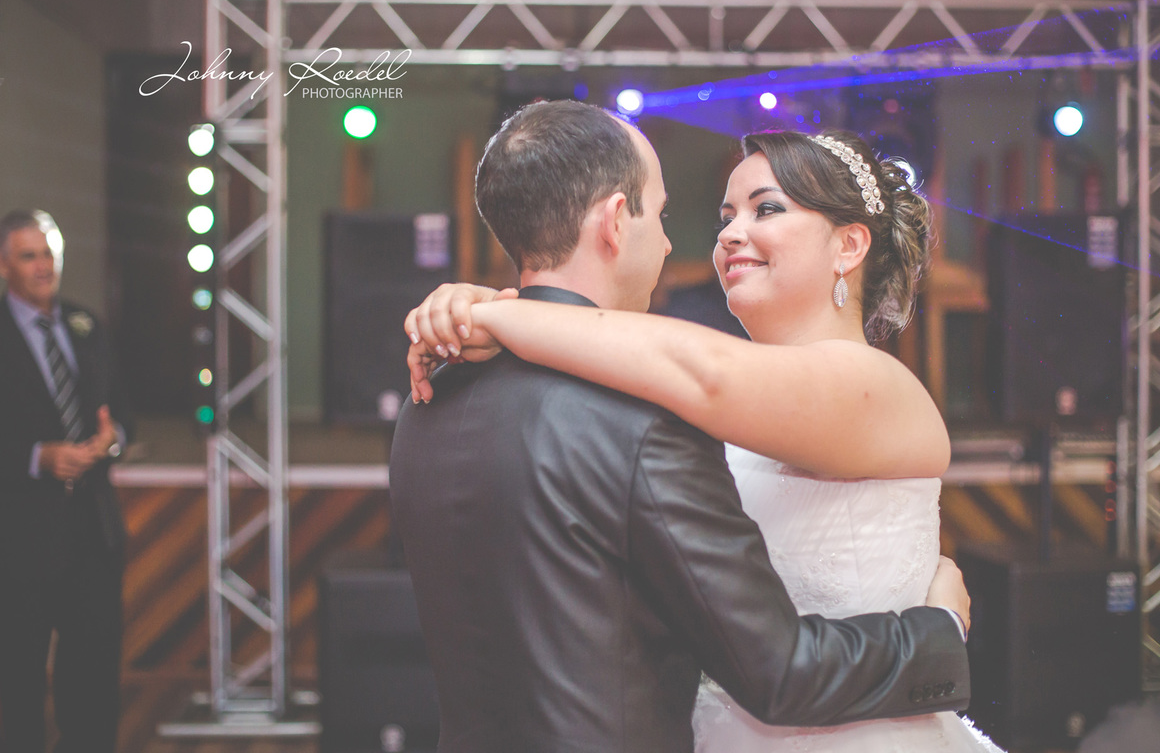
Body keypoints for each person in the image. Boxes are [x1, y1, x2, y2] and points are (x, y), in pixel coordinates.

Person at [390, 100, 972, 753]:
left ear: (850, 245)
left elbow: (706, 372)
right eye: (725, 217)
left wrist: (496, 312)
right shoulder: (692, 407)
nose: (727, 235)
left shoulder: (876, 385)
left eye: (766, 209)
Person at [0, 209, 129, 753]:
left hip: (92, 536)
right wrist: (38, 457)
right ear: (4, 265)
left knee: (94, 685)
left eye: (49, 253)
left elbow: (122, 412)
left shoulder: (85, 325)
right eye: (28, 255)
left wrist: (111, 440)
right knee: (18, 685)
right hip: (19, 542)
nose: (42, 266)